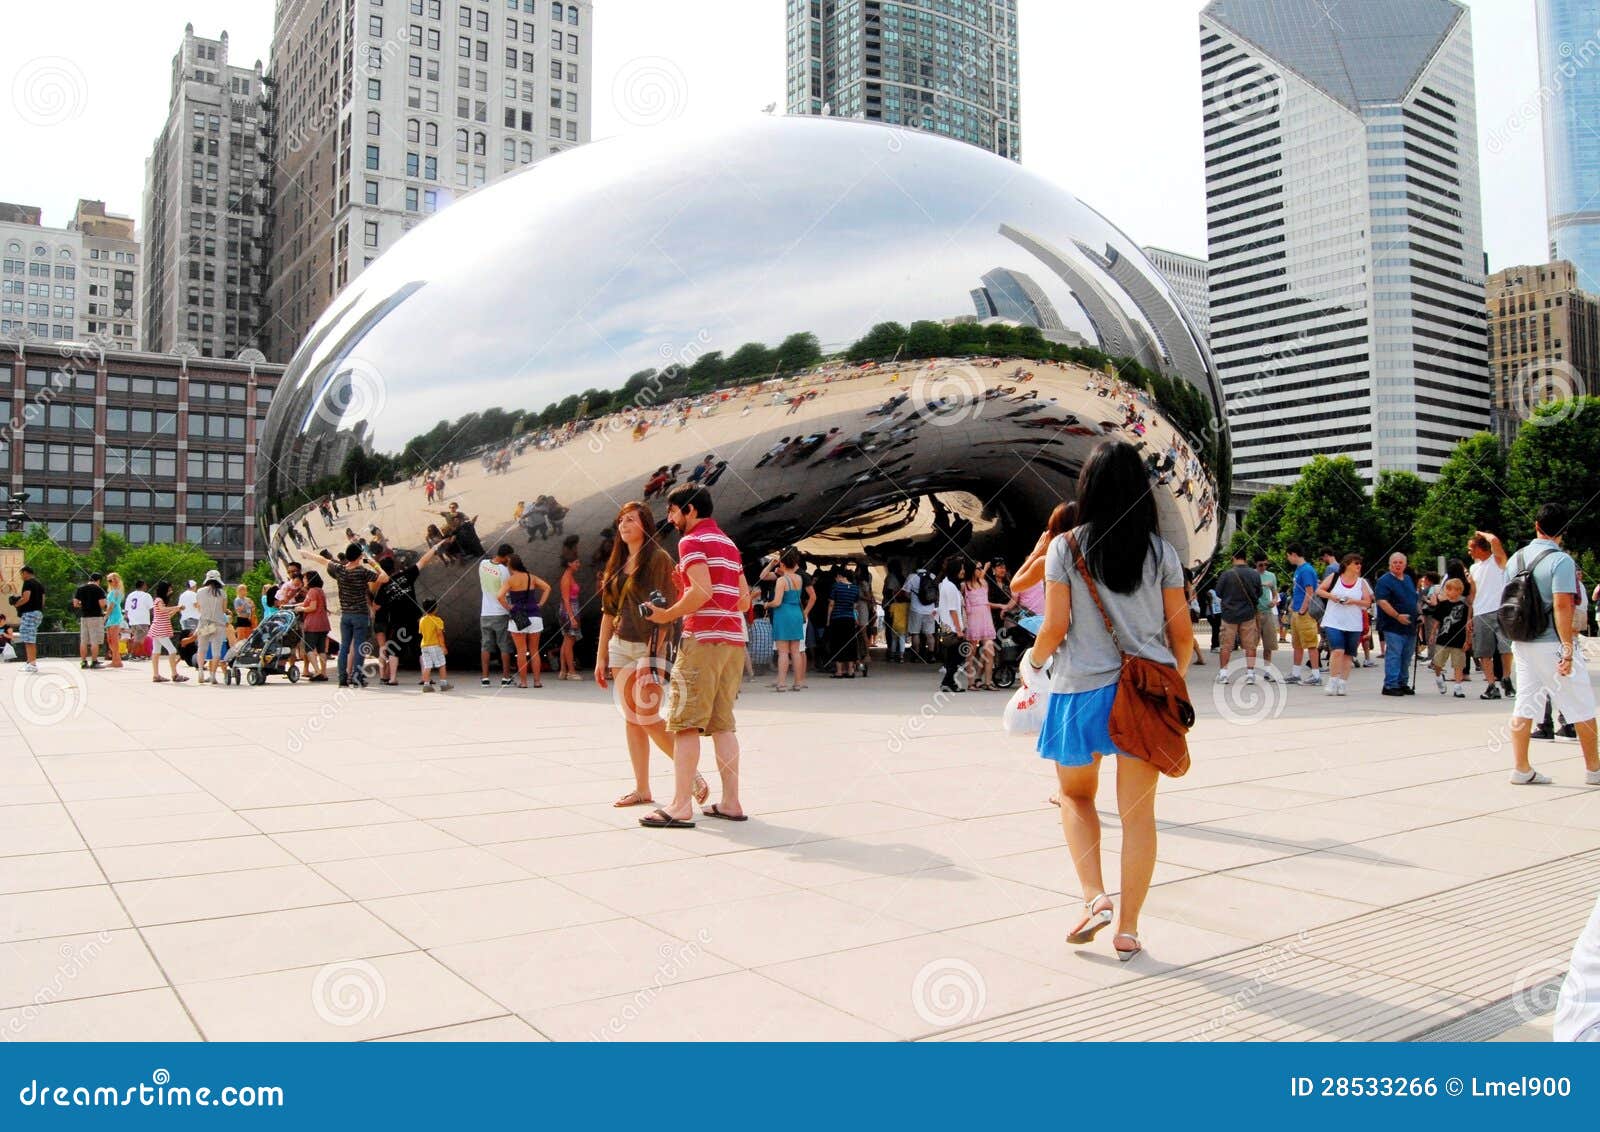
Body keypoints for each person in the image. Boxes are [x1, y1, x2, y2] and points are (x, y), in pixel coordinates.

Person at [1025, 439, 1194, 963]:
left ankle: (1094, 898)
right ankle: (1129, 929)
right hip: (1143, 697)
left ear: (1088, 489)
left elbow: (1054, 627)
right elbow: (1182, 636)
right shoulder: (1161, 552)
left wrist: (1033, 664)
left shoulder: (1064, 547)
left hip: (1079, 692)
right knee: (1138, 816)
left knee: (1076, 798)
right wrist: (1167, 681)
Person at [641, 484, 753, 828]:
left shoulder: (691, 542)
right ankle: (731, 802)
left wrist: (667, 614)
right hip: (732, 642)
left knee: (685, 721)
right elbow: (744, 600)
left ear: (689, 510)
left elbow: (702, 590)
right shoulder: (729, 544)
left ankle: (679, 806)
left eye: (674, 511)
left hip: (702, 640)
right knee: (723, 724)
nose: (671, 519)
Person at [595, 500, 706, 808]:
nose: (624, 525)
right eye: (621, 521)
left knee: (648, 717)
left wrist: (651, 657)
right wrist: (600, 655)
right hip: (620, 646)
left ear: (644, 524)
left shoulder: (658, 559)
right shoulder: (617, 562)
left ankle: (690, 773)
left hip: (648, 646)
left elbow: (667, 610)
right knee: (631, 719)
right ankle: (642, 789)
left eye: (631, 519)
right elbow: (607, 612)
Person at [1505, 504, 1600, 786]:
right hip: (1552, 642)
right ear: (1564, 531)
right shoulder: (1562, 562)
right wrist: (1568, 648)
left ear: (1536, 525)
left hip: (1522, 640)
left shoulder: (1516, 558)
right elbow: (1562, 605)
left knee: (1524, 703)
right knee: (1581, 705)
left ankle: (1521, 768)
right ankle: (1594, 769)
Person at [325, 544, 388, 688]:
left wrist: (307, 555)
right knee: (359, 646)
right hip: (360, 615)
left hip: (345, 615)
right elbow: (384, 578)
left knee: (344, 647)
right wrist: (373, 563)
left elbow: (323, 561)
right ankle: (357, 676)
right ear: (360, 556)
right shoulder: (362, 572)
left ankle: (342, 678)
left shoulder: (340, 569)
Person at [1315, 554, 1371, 697]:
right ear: (1346, 564)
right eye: (1356, 563)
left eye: (1360, 563)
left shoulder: (1362, 582)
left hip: (1353, 623)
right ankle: (1332, 680)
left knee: (1348, 654)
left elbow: (1367, 602)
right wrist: (1332, 597)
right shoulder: (1335, 577)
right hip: (1334, 621)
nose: (1359, 566)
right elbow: (1319, 590)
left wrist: (1353, 601)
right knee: (1337, 650)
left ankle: (1343, 683)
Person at [1468, 531, 1515, 700]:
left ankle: (1506, 678)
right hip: (1481, 612)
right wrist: (1470, 617)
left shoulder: (1497, 562)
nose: (1469, 552)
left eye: (1471, 548)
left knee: (1506, 647)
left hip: (1501, 610)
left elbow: (1495, 540)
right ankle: (1491, 685)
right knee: (1483, 651)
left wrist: (1481, 533)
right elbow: (1473, 594)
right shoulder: (1474, 568)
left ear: (1480, 548)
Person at [501, 552, 553, 688]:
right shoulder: (532, 577)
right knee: (535, 651)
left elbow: (499, 595)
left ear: (510, 566)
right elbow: (547, 588)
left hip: (518, 614)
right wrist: (540, 603)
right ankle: (537, 681)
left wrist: (509, 606)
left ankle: (523, 682)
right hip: (534, 614)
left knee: (521, 651)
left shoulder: (511, 580)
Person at [1213, 551, 1262, 685]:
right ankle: (1250, 674)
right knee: (1250, 645)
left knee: (1226, 645)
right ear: (1246, 559)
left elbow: (1218, 592)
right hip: (1248, 614)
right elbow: (1259, 593)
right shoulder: (1254, 574)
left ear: (1233, 558)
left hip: (1229, 614)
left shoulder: (1227, 574)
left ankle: (1223, 674)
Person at [1373, 552, 1419, 696]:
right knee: (1394, 654)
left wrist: (1420, 614)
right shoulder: (1384, 581)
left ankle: (1402, 682)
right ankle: (1390, 684)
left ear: (1405, 565)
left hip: (1410, 625)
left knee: (1406, 655)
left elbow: (1414, 598)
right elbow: (1382, 601)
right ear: (1389, 565)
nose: (1398, 565)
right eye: (1395, 562)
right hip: (1392, 625)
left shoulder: (1408, 579)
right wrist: (1397, 616)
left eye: (1400, 562)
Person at [767, 548, 810, 691]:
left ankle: (781, 682)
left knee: (783, 652)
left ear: (782, 562)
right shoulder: (799, 578)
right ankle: (798, 682)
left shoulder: (781, 580)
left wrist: (767, 604)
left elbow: (777, 602)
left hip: (783, 614)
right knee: (796, 651)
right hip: (796, 613)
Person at [1421, 576, 1470, 697]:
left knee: (1458, 664)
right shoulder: (1443, 605)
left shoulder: (1465, 606)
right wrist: (1432, 634)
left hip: (1459, 639)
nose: (1448, 592)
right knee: (1438, 663)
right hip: (1443, 639)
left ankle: (1458, 687)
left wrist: (1468, 640)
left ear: (1459, 591)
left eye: (1451, 589)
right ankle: (1439, 677)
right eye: (1447, 589)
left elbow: (1467, 625)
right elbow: (1437, 621)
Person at [1285, 547, 1322, 687]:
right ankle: (1296, 673)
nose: (1288, 558)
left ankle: (1316, 675)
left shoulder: (1306, 570)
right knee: (1297, 644)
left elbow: (1309, 591)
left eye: (1288, 555)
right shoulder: (1300, 569)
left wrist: (1302, 609)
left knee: (1310, 644)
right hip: (1297, 611)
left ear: (1294, 554)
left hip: (1304, 613)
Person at [479, 545, 515, 687]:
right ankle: (505, 677)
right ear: (506, 557)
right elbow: (505, 594)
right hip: (500, 612)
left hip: (485, 612)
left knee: (486, 646)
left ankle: (485, 678)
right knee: (504, 646)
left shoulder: (482, 564)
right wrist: (510, 609)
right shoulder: (504, 571)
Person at [963, 561, 999, 689]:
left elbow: (981, 577)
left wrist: (986, 568)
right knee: (971, 652)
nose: (981, 570)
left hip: (985, 619)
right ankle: (971, 682)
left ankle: (988, 682)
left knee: (990, 650)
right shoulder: (965, 585)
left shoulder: (983, 583)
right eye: (978, 568)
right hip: (973, 620)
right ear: (972, 570)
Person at [825, 562, 861, 679]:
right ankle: (850, 671)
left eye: (837, 577)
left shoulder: (836, 586)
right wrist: (856, 619)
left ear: (841, 576)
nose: (836, 579)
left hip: (837, 619)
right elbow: (855, 607)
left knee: (837, 644)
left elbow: (831, 604)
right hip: (850, 619)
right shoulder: (856, 589)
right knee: (849, 644)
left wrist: (828, 620)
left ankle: (839, 671)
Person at [935, 557, 966, 693]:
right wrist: (959, 630)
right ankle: (947, 682)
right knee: (957, 656)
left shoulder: (946, 584)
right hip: (952, 628)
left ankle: (950, 682)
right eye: (961, 568)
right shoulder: (951, 587)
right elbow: (953, 610)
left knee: (953, 657)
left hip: (947, 626)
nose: (963, 571)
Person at [194, 570, 230, 684]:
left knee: (202, 648)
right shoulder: (222, 593)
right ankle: (213, 675)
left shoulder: (200, 591)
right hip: (218, 624)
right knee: (216, 651)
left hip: (205, 623)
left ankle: (200, 671)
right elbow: (224, 610)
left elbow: (199, 607)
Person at [9, 565, 45, 674]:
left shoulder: (28, 583)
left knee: (29, 640)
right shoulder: (39, 584)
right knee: (30, 637)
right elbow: (43, 601)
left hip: (29, 613)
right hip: (38, 613)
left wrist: (16, 604)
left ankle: (32, 664)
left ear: (25, 573)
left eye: (21, 574)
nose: (21, 577)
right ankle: (29, 662)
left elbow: (26, 598)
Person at [148, 581, 186, 683]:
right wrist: (175, 607)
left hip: (157, 629)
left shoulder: (158, 600)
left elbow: (166, 615)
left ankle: (156, 675)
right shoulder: (159, 600)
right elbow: (163, 609)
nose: (170, 591)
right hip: (160, 630)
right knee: (172, 650)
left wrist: (176, 609)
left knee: (156, 652)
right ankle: (174, 674)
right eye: (169, 589)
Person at [296, 572, 331, 681]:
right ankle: (324, 672)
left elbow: (312, 607)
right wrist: (294, 606)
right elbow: (309, 603)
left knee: (309, 648)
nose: (304, 581)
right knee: (321, 649)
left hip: (312, 624)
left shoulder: (311, 591)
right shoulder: (320, 591)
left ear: (310, 580)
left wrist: (301, 609)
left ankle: (317, 671)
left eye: (305, 578)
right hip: (323, 623)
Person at [73, 572, 109, 670]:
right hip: (96, 616)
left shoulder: (80, 589)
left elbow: (75, 604)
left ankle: (83, 662)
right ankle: (94, 661)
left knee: (84, 640)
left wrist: (83, 605)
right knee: (94, 640)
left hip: (84, 616)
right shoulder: (99, 589)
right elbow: (102, 604)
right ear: (98, 580)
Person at [905, 561, 939, 661]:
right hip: (930, 610)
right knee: (930, 634)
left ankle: (916, 655)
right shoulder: (932, 576)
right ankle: (931, 655)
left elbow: (906, 593)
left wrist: (914, 598)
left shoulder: (911, 577)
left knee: (915, 633)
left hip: (916, 609)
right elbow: (936, 593)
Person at [418, 599, 453, 691]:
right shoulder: (438, 620)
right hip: (435, 645)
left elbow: (422, 633)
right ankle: (443, 684)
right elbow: (439, 634)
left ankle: (426, 685)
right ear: (435, 609)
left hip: (424, 646)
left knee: (427, 665)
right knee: (442, 664)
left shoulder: (422, 620)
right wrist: (443, 646)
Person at [557, 555, 583, 680]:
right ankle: (571, 671)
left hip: (571, 610)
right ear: (569, 563)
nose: (578, 564)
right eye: (576, 562)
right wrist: (572, 617)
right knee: (569, 642)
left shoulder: (569, 576)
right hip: (569, 610)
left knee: (566, 641)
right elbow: (566, 600)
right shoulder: (566, 578)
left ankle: (563, 670)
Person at [1254, 557, 1278, 675]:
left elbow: (1275, 593)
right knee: (1252, 644)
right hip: (1254, 613)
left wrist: (1274, 600)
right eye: (1260, 565)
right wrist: (1263, 584)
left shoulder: (1271, 576)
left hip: (1267, 612)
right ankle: (1251, 670)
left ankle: (1267, 670)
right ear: (1256, 564)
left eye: (1265, 565)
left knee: (1268, 644)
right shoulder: (1251, 575)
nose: (1263, 567)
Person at [123, 580, 152, 659]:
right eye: (145, 585)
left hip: (132, 620)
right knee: (138, 639)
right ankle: (132, 655)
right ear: (143, 585)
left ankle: (143, 654)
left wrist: (127, 617)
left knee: (140, 638)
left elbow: (126, 609)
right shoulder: (147, 595)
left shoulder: (130, 595)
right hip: (142, 620)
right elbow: (151, 608)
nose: (146, 587)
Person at [103, 572, 125, 669]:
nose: (110, 582)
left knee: (113, 640)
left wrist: (105, 616)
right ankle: (117, 660)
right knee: (111, 640)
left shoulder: (114, 592)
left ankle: (116, 661)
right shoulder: (115, 591)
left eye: (111, 580)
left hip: (114, 616)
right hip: (114, 616)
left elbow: (111, 606)